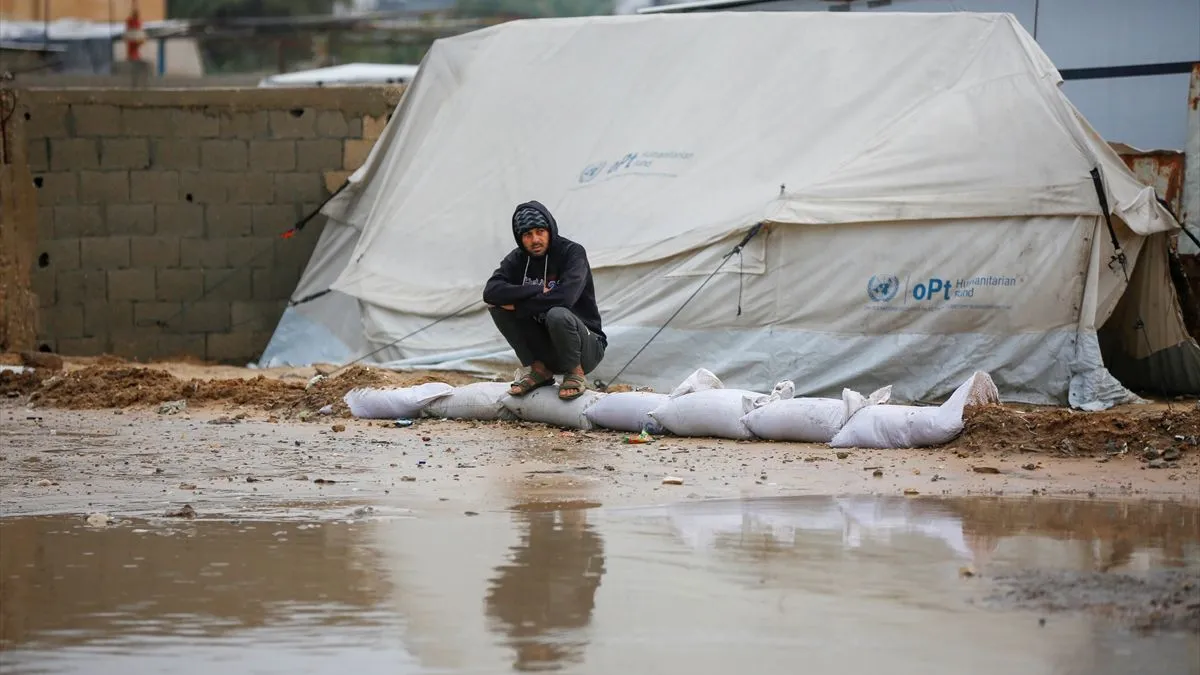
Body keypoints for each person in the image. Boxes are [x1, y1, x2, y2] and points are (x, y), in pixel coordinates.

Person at [483, 201, 606, 400]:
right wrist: (538, 288)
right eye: (527, 235)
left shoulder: (572, 253)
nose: (535, 240)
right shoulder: (518, 259)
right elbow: (491, 291)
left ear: (550, 230)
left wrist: (519, 306)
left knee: (557, 313)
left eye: (540, 231)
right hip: (549, 349)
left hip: (586, 347)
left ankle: (575, 373)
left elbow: (565, 297)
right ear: (520, 238)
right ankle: (539, 370)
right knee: (497, 307)